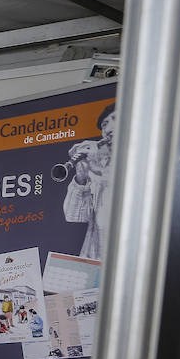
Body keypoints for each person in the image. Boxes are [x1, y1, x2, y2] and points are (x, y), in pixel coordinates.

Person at [62, 103, 115, 259]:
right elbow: (73, 216)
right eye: (105, 125)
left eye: (115, 119)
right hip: (96, 263)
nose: (109, 129)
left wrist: (99, 170)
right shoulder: (99, 167)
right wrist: (82, 176)